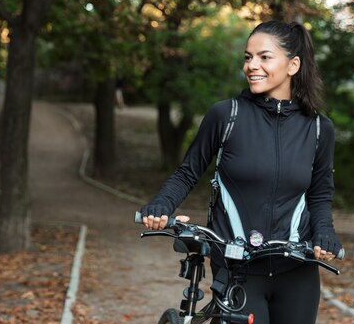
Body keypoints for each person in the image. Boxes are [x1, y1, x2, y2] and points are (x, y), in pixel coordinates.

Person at [140, 20, 342, 324]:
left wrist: (324, 232)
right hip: (238, 267)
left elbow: (320, 191)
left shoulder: (318, 129)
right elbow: (187, 172)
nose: (252, 66)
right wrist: (161, 205)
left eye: (264, 57)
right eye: (248, 57)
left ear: (293, 65)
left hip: (297, 270)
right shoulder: (226, 115)